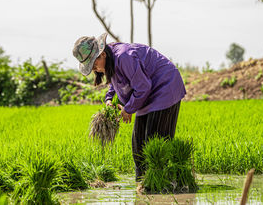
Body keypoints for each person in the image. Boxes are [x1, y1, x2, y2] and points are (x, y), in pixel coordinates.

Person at [72, 33, 186, 182]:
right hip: (148, 93)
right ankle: (142, 184)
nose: (95, 69)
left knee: (154, 142)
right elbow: (117, 82)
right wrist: (109, 100)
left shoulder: (124, 57)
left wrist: (129, 109)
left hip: (165, 86)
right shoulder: (111, 60)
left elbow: (143, 87)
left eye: (94, 64)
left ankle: (162, 183)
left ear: (102, 55)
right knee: (138, 146)